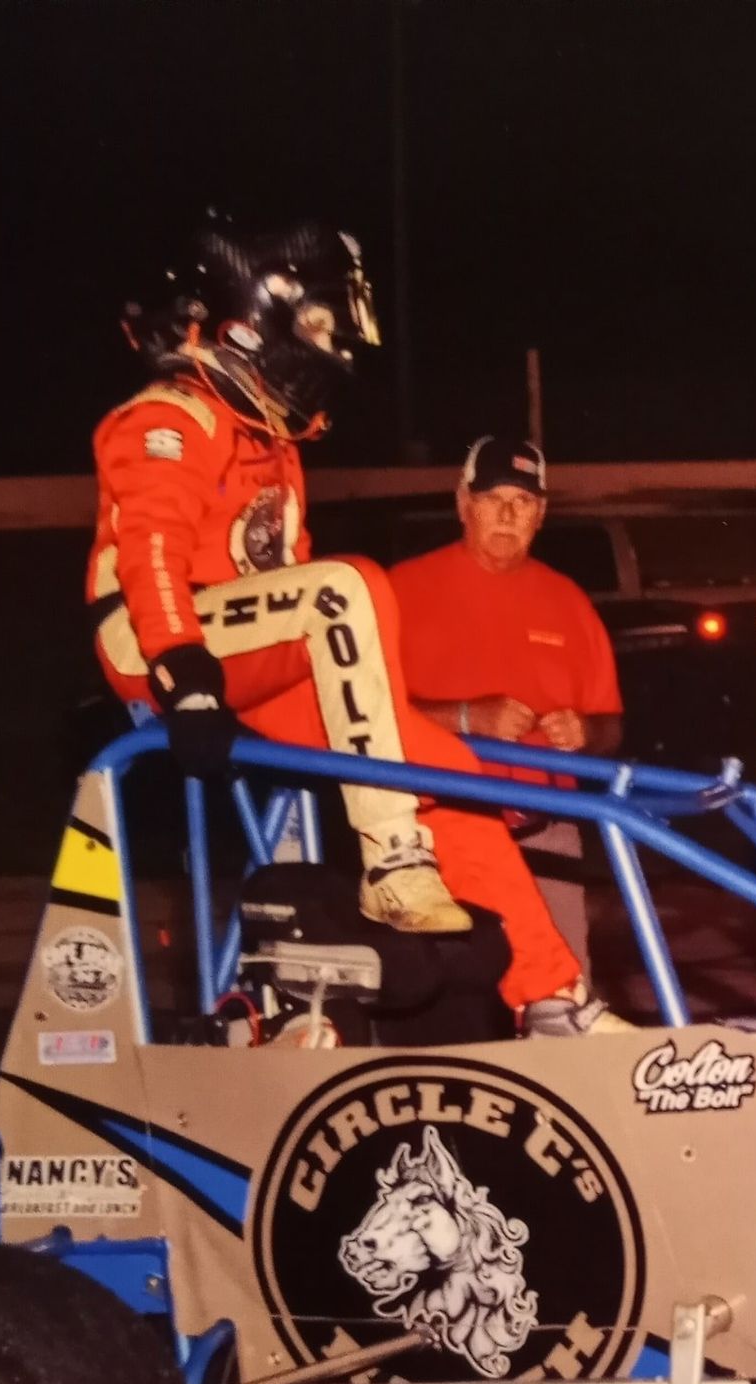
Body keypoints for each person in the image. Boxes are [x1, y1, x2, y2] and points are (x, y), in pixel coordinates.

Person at [87, 215, 616, 1035]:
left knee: (444, 769)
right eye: (320, 324)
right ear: (253, 316)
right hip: (157, 639)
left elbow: (278, 572)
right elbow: (149, 555)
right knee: (351, 582)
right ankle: (391, 857)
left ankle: (553, 995)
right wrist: (184, 676)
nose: (331, 346)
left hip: (247, 650)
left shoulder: (272, 436)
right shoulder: (173, 414)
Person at [391, 436, 623, 973]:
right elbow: (361, 713)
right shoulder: (400, 590)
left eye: (523, 502)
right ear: (462, 503)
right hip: (435, 837)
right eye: (494, 497)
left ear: (540, 515)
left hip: (547, 838)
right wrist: (468, 718)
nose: (507, 514)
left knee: (561, 1004)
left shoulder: (569, 601)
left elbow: (612, 724)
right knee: (448, 1011)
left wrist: (586, 730)